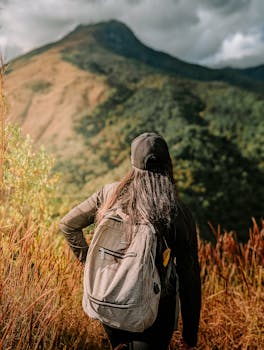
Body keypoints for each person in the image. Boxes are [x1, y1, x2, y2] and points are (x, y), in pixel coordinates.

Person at [60, 132, 201, 350]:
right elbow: (189, 276)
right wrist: (190, 335)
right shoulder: (175, 210)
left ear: (132, 163)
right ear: (168, 164)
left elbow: (68, 224)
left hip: (111, 298)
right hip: (153, 312)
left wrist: (92, 264)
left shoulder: (110, 194)